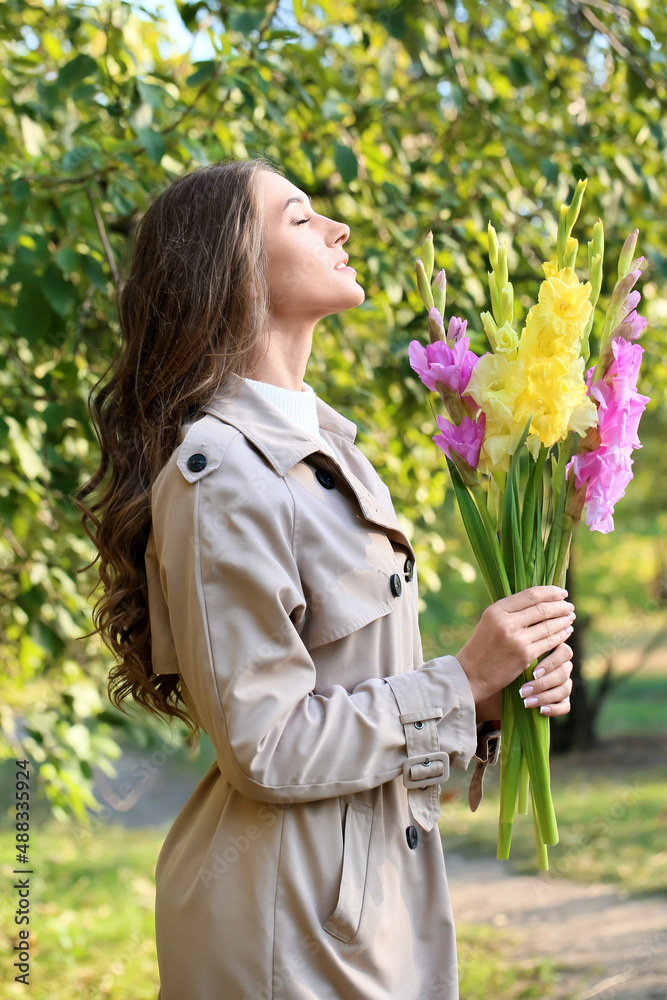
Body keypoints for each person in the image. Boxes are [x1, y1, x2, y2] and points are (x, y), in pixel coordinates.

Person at [75, 157, 575, 1000]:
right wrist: (457, 679)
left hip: (361, 912)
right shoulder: (222, 473)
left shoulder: (324, 451)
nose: (338, 229)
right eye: (301, 218)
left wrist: (491, 690)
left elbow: (355, 688)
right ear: (230, 268)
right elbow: (265, 745)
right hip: (288, 935)